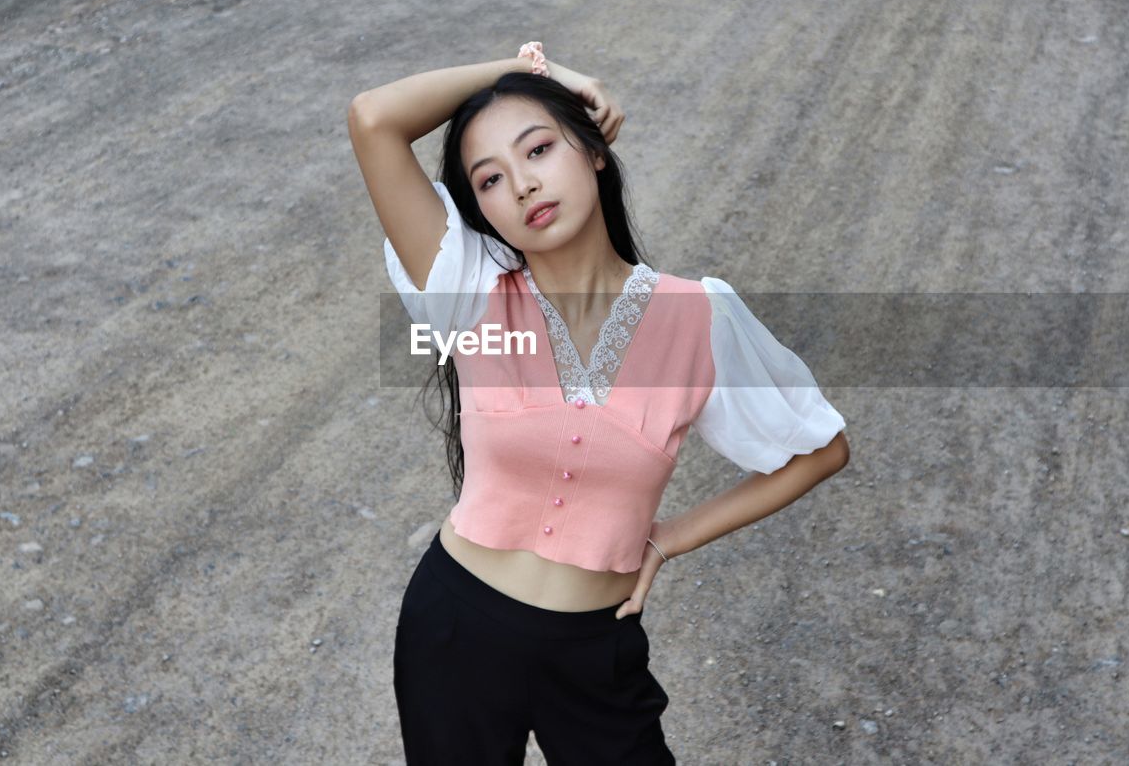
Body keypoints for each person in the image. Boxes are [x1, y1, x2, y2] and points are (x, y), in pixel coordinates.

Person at [347, 42, 851, 765]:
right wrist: (533, 72)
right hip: (455, 629)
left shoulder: (697, 316)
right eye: (490, 178)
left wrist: (670, 537)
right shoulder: (468, 287)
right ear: (481, 206)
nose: (521, 185)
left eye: (540, 148)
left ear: (594, 151)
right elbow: (372, 119)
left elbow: (822, 448)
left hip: (595, 650)